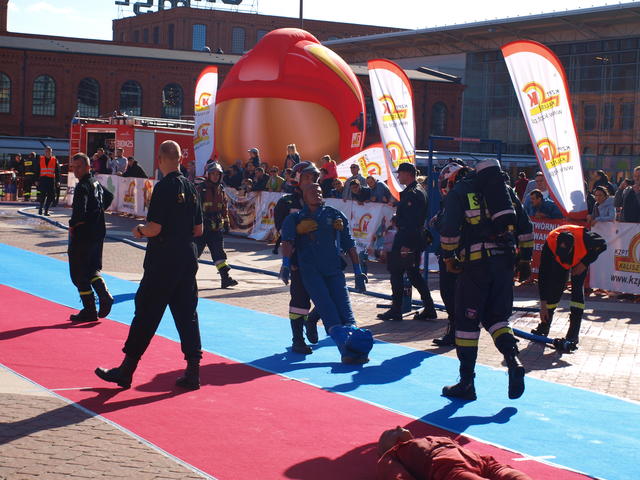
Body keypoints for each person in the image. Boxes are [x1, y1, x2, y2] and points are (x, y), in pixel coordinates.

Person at [95, 140, 204, 390]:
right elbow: (199, 229)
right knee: (187, 315)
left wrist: (140, 230)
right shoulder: (191, 187)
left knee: (146, 313)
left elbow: (155, 228)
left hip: (163, 261)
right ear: (180, 159)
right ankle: (193, 371)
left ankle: (127, 369)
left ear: (160, 159)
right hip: (186, 259)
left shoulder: (163, 187)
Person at [439, 158, 532, 400]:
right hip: (505, 264)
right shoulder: (505, 191)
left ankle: (466, 383)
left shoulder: (460, 191)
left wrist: (449, 257)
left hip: (475, 266)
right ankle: (513, 361)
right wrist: (525, 260)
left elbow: (449, 231)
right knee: (497, 319)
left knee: (466, 326)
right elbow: (525, 226)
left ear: (452, 179)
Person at [280, 183, 372, 364]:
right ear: (304, 196)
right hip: (310, 271)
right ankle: (345, 350)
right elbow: (287, 242)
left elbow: (349, 244)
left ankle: (357, 347)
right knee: (328, 309)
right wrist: (285, 265)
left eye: (319, 191)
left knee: (346, 311)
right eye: (312, 191)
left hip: (334, 269)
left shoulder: (335, 215)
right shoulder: (294, 219)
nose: (317, 193)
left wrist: (358, 271)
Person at [531, 225, 607, 352]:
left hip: (580, 260)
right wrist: (543, 304)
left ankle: (573, 335)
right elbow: (543, 275)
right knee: (554, 289)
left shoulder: (585, 238)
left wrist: (584, 263)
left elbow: (603, 245)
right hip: (559, 264)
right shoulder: (550, 243)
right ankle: (544, 325)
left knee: (577, 294)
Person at [378, 163, 437, 322]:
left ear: (408, 174)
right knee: (413, 274)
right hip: (411, 236)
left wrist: (406, 245)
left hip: (407, 238)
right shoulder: (415, 191)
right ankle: (429, 308)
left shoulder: (413, 193)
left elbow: (413, 221)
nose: (398, 177)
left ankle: (396, 309)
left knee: (397, 272)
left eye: (400, 173)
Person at [273, 161, 322, 353]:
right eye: (307, 178)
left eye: (314, 178)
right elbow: (282, 233)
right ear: (298, 180)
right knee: (300, 301)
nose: (312, 182)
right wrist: (289, 262)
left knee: (329, 296)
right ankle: (298, 339)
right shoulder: (285, 203)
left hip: (320, 259)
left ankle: (312, 320)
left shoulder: (320, 201)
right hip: (298, 260)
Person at [377, 426, 533, 480]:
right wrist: (386, 453)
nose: (399, 427)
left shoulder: (426, 439)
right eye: (391, 432)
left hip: (479, 460)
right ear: (387, 445)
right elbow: (398, 476)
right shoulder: (391, 456)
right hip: (447, 466)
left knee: (508, 473)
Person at [67, 153, 114, 323]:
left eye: (79, 167)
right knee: (92, 269)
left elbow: (80, 211)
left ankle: (89, 309)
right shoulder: (95, 182)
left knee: (79, 274)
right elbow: (109, 196)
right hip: (97, 232)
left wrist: (73, 224)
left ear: (88, 167)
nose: (76, 171)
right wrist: (98, 212)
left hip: (83, 234)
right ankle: (104, 295)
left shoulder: (82, 186)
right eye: (74, 167)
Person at [195, 162, 238, 289]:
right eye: (213, 174)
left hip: (215, 228)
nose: (215, 176)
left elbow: (224, 207)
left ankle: (225, 278)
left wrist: (226, 222)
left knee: (219, 254)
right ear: (208, 175)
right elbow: (194, 209)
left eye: (217, 174)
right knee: (193, 254)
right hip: (202, 228)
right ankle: (184, 279)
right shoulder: (200, 189)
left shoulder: (221, 189)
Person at [37, 146, 60, 216]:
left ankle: (46, 210)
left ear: (51, 152)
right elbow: (37, 170)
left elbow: (57, 171)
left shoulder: (54, 160)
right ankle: (40, 208)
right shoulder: (40, 159)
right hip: (43, 179)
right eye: (47, 151)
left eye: (50, 152)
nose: (48, 153)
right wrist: (36, 180)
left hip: (51, 180)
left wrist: (58, 181)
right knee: (42, 195)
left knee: (51, 195)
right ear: (45, 152)